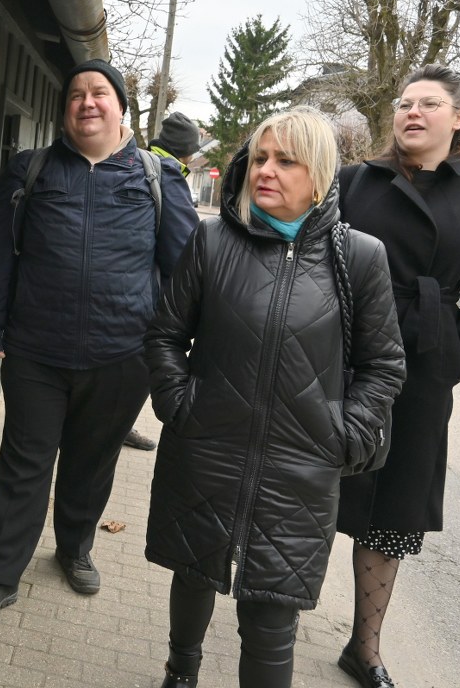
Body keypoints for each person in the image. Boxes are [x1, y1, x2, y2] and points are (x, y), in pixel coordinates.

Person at [144, 107, 406, 687]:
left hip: (300, 469)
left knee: (271, 616)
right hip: (206, 449)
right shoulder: (212, 241)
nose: (266, 170)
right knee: (193, 572)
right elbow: (164, 335)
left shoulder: (360, 256)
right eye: (260, 157)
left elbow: (384, 365)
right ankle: (180, 671)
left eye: (286, 160)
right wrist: (180, 405)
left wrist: (344, 433)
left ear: (319, 175)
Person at [0, 59, 198, 619]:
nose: (87, 102)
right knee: (24, 464)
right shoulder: (31, 170)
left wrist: (182, 348)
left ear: (120, 108)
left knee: (91, 463)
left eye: (99, 93)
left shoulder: (157, 177)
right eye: (76, 95)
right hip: (37, 352)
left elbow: (187, 270)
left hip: (123, 356)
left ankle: (74, 548)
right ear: (65, 111)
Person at [334, 65, 460, 688]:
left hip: (421, 367)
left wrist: (448, 356)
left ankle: (365, 648)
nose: (411, 112)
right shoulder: (354, 180)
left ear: (458, 118)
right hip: (341, 353)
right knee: (308, 487)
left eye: (428, 104)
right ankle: (274, 615)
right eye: (405, 103)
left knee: (392, 507)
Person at [123, 110, 203, 452]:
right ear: (188, 151)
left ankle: (117, 424)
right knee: (143, 368)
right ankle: (119, 426)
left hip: (125, 290)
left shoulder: (137, 162)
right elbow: (185, 248)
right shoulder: (167, 173)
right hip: (148, 298)